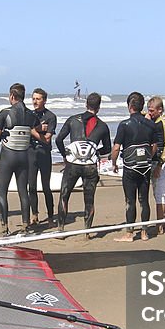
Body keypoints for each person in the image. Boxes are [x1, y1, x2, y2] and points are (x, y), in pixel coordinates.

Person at [55, 92, 111, 233]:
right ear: (98, 107)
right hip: (90, 165)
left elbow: (58, 139)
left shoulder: (73, 120)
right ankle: (87, 231)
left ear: (86, 104)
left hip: (72, 163)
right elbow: (107, 149)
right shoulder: (103, 126)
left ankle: (61, 229)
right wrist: (95, 152)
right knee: (89, 199)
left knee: (64, 195)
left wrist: (65, 155)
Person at [111, 92, 162, 242]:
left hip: (130, 168)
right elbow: (154, 146)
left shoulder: (124, 125)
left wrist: (113, 163)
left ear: (129, 106)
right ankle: (145, 232)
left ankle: (129, 234)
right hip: (145, 167)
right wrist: (148, 159)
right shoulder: (151, 125)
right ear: (141, 107)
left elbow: (116, 148)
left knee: (130, 200)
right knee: (144, 200)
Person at [0, 83, 34, 235]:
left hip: (8, 156)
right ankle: (26, 225)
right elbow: (36, 129)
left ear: (12, 96)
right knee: (23, 191)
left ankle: (4, 227)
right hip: (23, 156)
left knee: (2, 191)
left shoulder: (5, 113)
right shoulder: (30, 114)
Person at [27, 88, 57, 229]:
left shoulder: (51, 116)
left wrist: (33, 131)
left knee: (46, 187)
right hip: (31, 152)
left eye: (38, 99)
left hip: (44, 154)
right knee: (31, 186)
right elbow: (26, 133)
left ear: (44, 100)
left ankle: (51, 216)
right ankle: (35, 215)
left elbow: (46, 139)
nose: (35, 101)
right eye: (33, 98)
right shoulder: (29, 115)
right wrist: (37, 129)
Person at [147, 96, 165, 235]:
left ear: (160, 109)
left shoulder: (163, 122)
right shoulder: (154, 120)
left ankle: (161, 225)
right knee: (163, 192)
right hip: (156, 160)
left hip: (160, 162)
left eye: (152, 110)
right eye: (148, 110)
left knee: (160, 194)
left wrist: (159, 164)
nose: (150, 113)